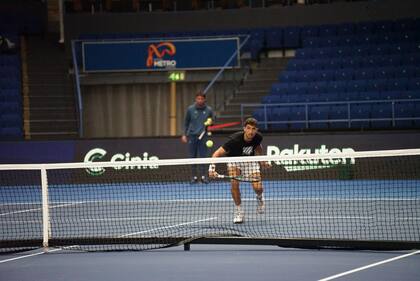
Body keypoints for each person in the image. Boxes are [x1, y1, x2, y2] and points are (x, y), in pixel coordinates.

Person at [208, 117, 270, 224]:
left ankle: (259, 197)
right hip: (234, 162)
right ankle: (239, 211)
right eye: (249, 128)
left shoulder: (258, 137)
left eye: (253, 129)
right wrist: (212, 168)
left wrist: (262, 160)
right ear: (244, 129)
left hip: (250, 162)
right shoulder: (234, 140)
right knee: (234, 184)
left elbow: (258, 147)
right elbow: (216, 154)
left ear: (256, 130)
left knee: (258, 187)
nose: (251, 131)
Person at [182, 91, 214, 184]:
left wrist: (210, 122)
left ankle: (204, 177)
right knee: (192, 157)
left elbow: (213, 121)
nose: (200, 100)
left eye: (201, 98)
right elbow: (186, 123)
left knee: (204, 157)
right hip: (192, 136)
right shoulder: (190, 109)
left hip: (204, 136)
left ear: (204, 99)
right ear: (196, 99)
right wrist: (184, 134)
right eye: (198, 98)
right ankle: (193, 177)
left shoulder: (209, 110)